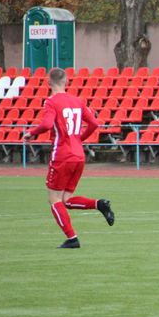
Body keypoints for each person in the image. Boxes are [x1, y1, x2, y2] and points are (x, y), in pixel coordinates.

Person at [22, 68, 115, 248]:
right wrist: (79, 139)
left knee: (54, 199)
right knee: (67, 200)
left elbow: (48, 124)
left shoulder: (51, 101)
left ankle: (72, 239)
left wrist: (31, 133)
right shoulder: (78, 101)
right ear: (67, 82)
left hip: (62, 155)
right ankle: (100, 204)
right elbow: (95, 123)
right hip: (79, 155)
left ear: (48, 83)